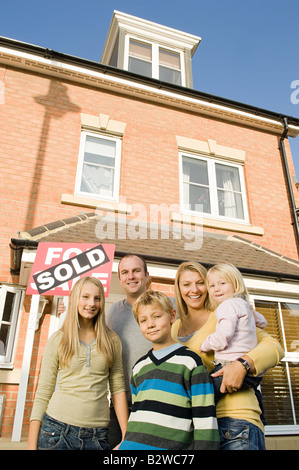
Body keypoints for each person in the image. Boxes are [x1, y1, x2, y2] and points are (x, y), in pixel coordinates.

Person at [171, 261, 285, 450]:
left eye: (200, 283)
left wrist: (243, 365)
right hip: (199, 429)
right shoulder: (174, 328)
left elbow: (275, 347)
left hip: (236, 419)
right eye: (186, 284)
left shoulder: (225, 311)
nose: (194, 290)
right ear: (179, 288)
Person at [27, 276, 128, 450]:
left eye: (97, 298)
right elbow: (43, 392)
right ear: (75, 299)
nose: (92, 303)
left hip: (98, 436)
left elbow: (118, 390)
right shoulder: (58, 339)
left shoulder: (112, 341)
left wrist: (127, 437)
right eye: (85, 297)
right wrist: (30, 445)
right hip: (57, 432)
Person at [119, 290, 219, 450]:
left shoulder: (191, 362)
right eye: (143, 320)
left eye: (157, 316)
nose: (150, 324)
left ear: (172, 316)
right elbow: (137, 413)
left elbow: (205, 419)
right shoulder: (138, 367)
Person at [200, 263, 268, 405]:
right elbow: (262, 322)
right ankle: (261, 418)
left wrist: (205, 345)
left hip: (230, 366)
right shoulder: (245, 306)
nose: (216, 289)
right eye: (212, 286)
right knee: (254, 392)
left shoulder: (226, 306)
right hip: (253, 375)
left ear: (235, 285)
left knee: (204, 397)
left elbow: (222, 337)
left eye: (222, 283)